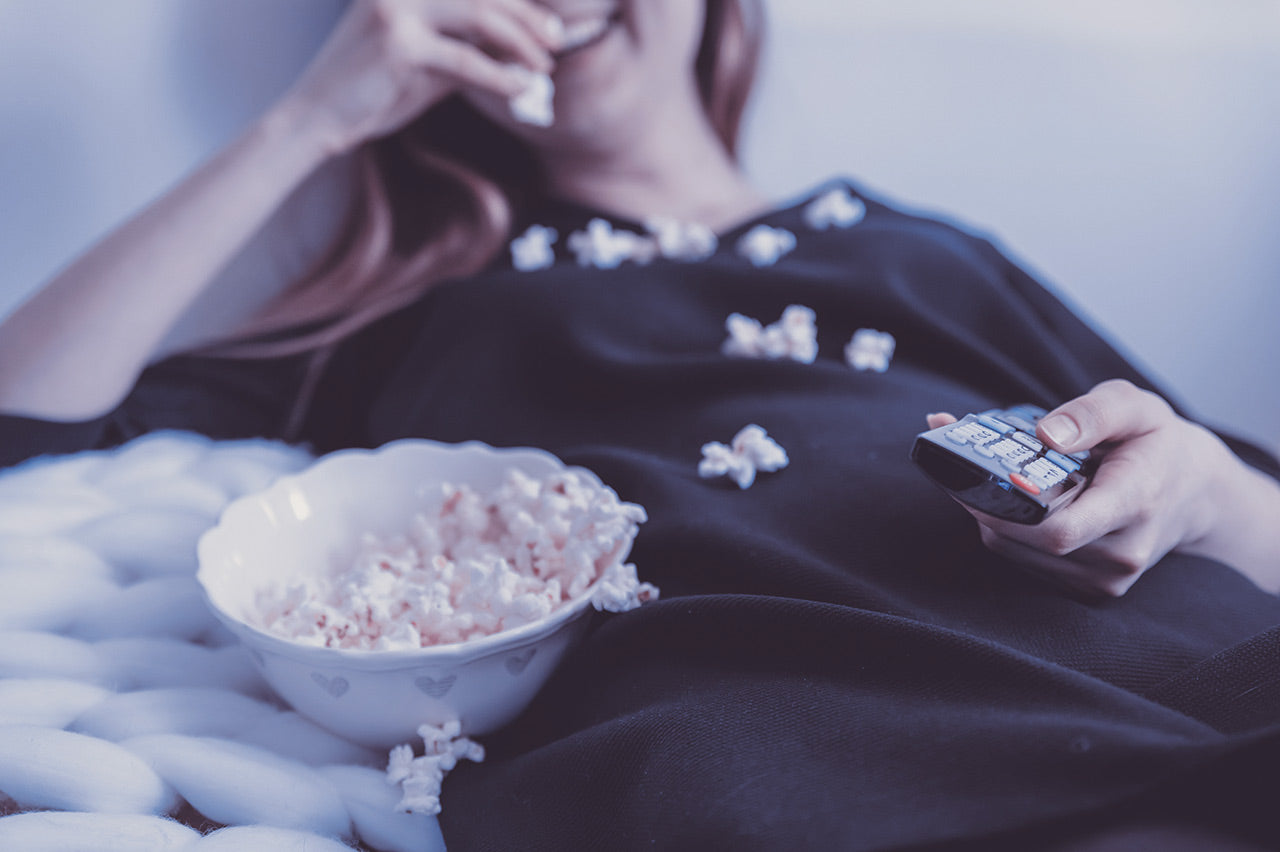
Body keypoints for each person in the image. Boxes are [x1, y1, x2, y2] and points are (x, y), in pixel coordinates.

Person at [2, 1, 1280, 848]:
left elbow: (1248, 517)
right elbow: (26, 425)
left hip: (1183, 669)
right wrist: (312, 119)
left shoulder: (922, 254)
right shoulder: (428, 310)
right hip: (807, 753)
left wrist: (1206, 493)